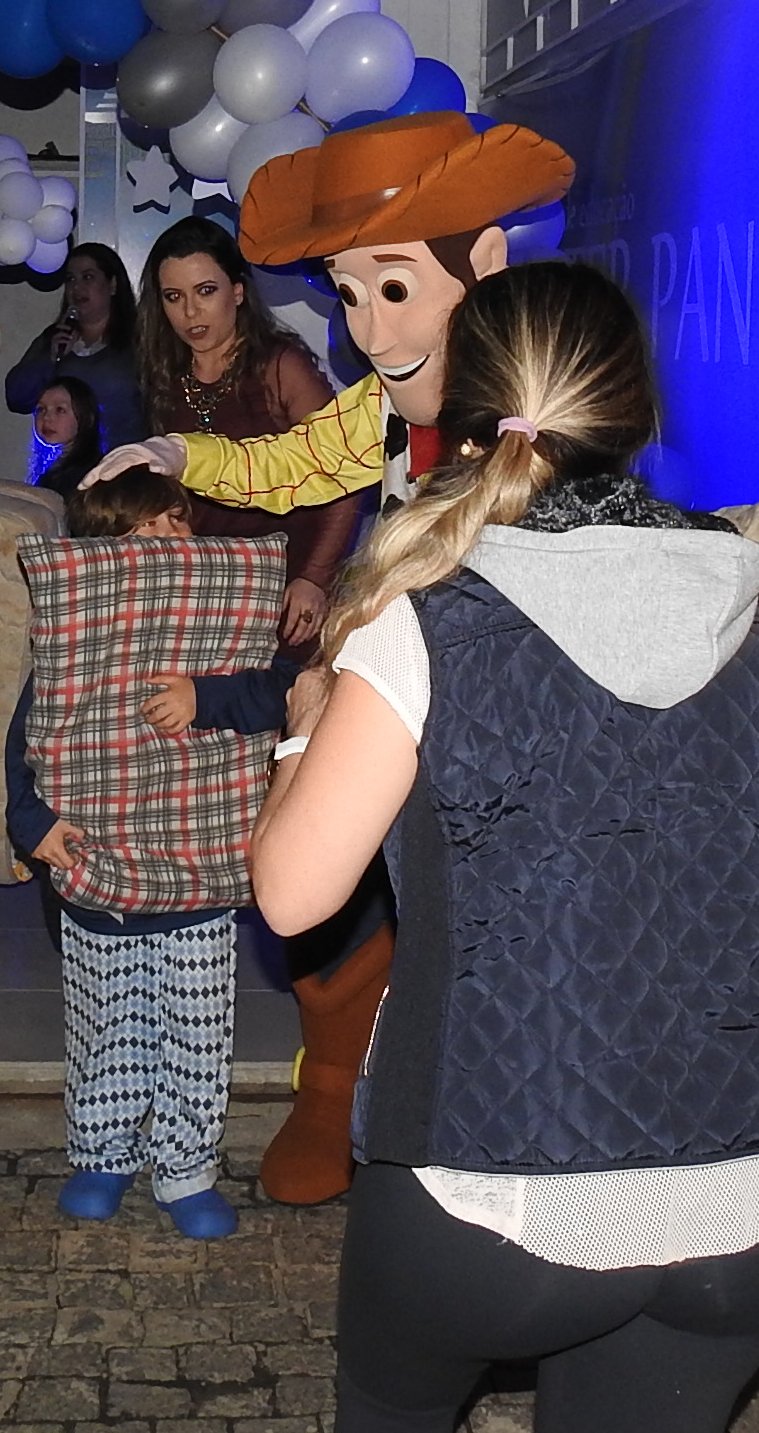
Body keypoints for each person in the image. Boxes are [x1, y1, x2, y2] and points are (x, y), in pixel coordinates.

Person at [250, 259, 759, 1433]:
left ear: (465, 409)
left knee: (394, 1423)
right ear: (635, 410)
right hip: (748, 1197)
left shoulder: (427, 618)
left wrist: (305, 730)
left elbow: (293, 896)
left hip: (496, 1184)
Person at [97, 109, 576, 1207]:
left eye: (392, 289)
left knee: (477, 935)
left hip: (496, 736)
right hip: (390, 707)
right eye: (349, 295)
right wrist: (177, 452)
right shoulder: (379, 411)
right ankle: (331, 1095)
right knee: (331, 918)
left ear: (484, 265)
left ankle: (469, 1129)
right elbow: (293, 463)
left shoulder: (533, 427)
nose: (368, 329)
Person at [7, 465, 293, 1241]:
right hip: (98, 868)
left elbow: (282, 690)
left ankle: (187, 1167)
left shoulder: (226, 635)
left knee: (196, 1030)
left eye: (177, 521)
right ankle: (103, 1153)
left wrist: (207, 695)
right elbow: (30, 736)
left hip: (199, 876)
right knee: (106, 1021)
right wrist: (32, 822)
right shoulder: (75, 649)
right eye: (146, 528)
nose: (169, 539)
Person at [136, 214, 369, 649]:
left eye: (206, 291)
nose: (190, 312)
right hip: (206, 590)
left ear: (238, 291)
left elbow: (345, 476)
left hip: (286, 586)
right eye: (174, 297)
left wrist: (315, 577)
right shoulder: (164, 375)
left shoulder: (280, 367)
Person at [3, 239, 142, 449]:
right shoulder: (54, 337)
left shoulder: (138, 340)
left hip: (125, 460)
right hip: (67, 462)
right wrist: (49, 360)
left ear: (112, 284)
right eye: (70, 279)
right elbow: (16, 397)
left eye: (88, 277)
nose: (77, 287)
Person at [29, 374, 102, 497]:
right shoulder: (54, 470)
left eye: (60, 410)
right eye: (41, 409)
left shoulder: (84, 477)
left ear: (85, 417)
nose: (46, 417)